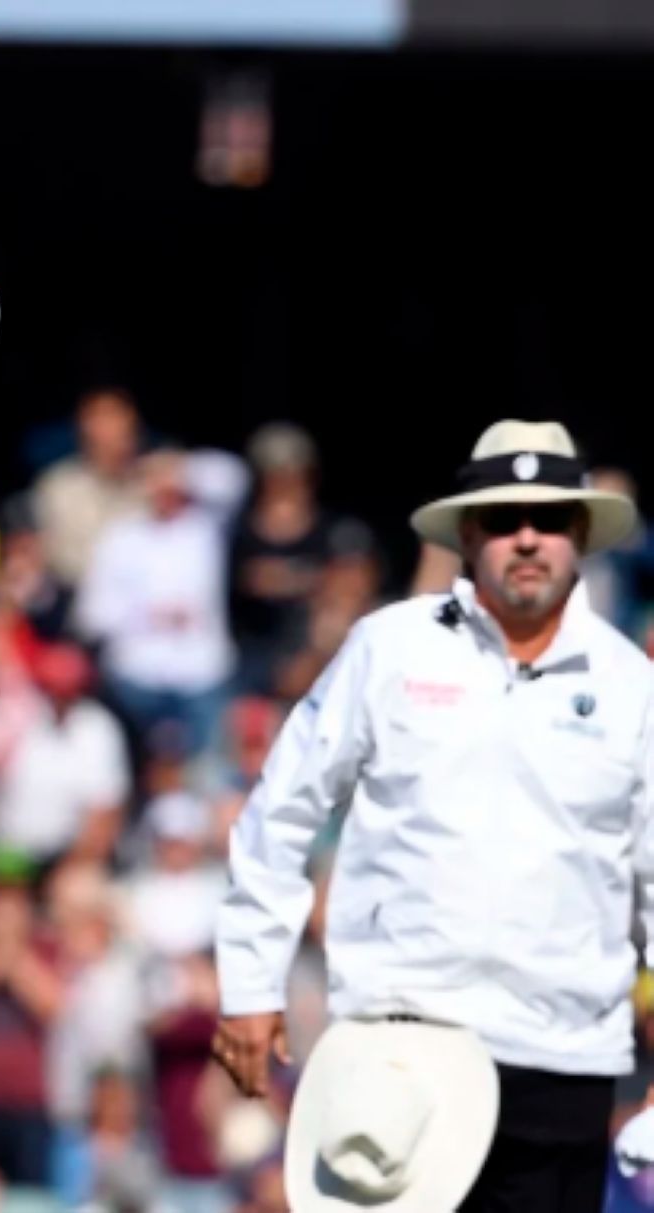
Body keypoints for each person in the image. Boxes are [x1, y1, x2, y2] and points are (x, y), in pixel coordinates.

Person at [213, 420, 654, 1212]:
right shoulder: (390, 648)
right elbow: (279, 812)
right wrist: (250, 982)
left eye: (550, 518)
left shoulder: (631, 687)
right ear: (468, 531)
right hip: (400, 1051)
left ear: (581, 532)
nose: (528, 538)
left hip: (563, 1059)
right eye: (504, 518)